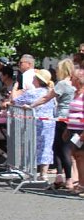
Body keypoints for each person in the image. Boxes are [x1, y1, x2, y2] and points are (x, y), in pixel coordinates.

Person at [28, 59, 77, 190]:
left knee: (63, 149)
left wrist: (31, 105)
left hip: (62, 118)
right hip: (73, 119)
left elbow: (46, 98)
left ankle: (68, 179)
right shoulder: (75, 83)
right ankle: (62, 177)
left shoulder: (62, 84)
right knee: (62, 148)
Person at [12, 69, 56, 180]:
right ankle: (44, 174)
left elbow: (15, 100)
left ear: (37, 80)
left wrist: (15, 87)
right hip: (49, 123)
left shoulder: (32, 93)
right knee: (46, 147)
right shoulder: (50, 92)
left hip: (34, 123)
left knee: (31, 146)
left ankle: (31, 172)